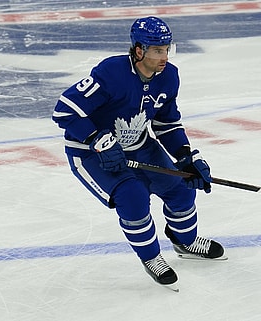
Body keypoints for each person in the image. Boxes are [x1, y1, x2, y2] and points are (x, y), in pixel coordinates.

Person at [52, 16, 225, 288]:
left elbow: (166, 123)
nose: (164, 56)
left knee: (182, 188)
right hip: (92, 152)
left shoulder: (169, 76)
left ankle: (186, 241)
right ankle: (151, 257)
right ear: (139, 50)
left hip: (140, 145)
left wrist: (185, 156)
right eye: (157, 50)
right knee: (132, 197)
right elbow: (64, 110)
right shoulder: (112, 73)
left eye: (167, 49)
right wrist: (97, 139)